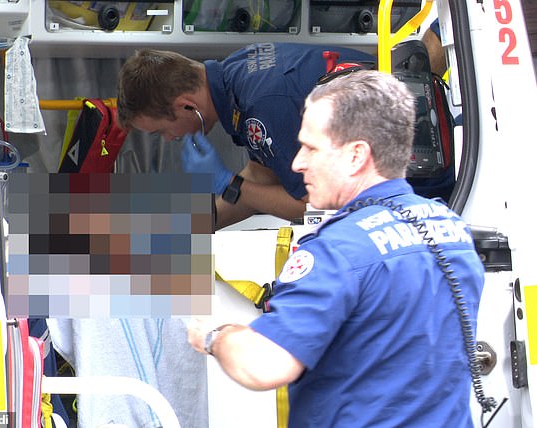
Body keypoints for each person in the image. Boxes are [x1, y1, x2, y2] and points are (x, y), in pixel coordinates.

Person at [187, 70, 485, 427]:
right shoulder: (450, 228)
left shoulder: (337, 251)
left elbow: (263, 365)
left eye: (311, 148)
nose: (297, 163)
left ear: (356, 156)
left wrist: (216, 333)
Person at [116, 42, 375, 229]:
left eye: (160, 131)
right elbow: (263, 175)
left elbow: (318, 208)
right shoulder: (238, 74)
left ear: (187, 106)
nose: (168, 139)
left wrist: (229, 183)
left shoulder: (262, 104)